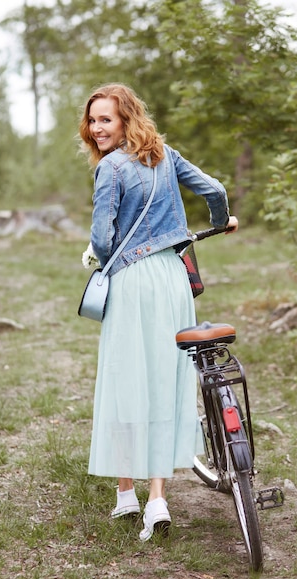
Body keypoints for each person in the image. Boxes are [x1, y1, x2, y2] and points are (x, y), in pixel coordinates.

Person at [79, 83, 238, 541]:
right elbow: (215, 191)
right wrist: (217, 222)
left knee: (127, 376)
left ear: (126, 119)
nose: (97, 128)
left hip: (132, 281)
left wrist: (97, 255)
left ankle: (127, 492)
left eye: (106, 119)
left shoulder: (110, 169)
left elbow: (105, 238)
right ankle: (155, 499)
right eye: (93, 120)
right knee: (165, 377)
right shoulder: (166, 155)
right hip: (173, 278)